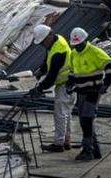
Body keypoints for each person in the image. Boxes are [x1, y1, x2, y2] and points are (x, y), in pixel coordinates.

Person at [66, 27, 111, 162]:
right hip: (81, 91)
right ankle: (95, 149)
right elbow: (72, 70)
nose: (78, 47)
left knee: (87, 119)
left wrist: (107, 83)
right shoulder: (74, 53)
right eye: (75, 45)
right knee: (84, 120)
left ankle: (88, 151)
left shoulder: (95, 52)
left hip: (93, 91)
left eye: (80, 45)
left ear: (85, 41)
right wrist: (69, 83)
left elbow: (110, 65)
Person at [30, 24, 73, 153]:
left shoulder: (59, 51)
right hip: (67, 83)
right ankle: (66, 141)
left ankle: (58, 144)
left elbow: (52, 77)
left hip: (66, 84)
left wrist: (40, 88)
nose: (43, 45)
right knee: (66, 114)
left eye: (43, 42)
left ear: (49, 35)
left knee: (60, 114)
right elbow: (48, 58)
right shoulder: (56, 40)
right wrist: (41, 70)